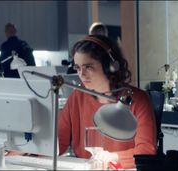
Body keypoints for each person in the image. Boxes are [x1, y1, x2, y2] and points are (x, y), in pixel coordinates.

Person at [58, 35, 157, 169]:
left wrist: (112, 158)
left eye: (88, 67)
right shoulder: (77, 96)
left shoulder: (137, 99)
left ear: (110, 66)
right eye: (77, 67)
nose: (82, 74)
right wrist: (30, 149)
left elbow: (146, 150)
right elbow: (60, 142)